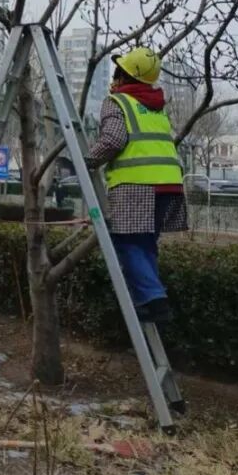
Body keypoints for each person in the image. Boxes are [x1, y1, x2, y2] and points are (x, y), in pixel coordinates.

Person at [85, 46, 187, 324]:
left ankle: (154, 299)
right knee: (145, 245)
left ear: (123, 76)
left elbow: (113, 140)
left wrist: (87, 161)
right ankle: (149, 302)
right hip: (169, 185)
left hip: (136, 186)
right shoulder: (156, 107)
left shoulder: (117, 102)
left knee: (127, 242)